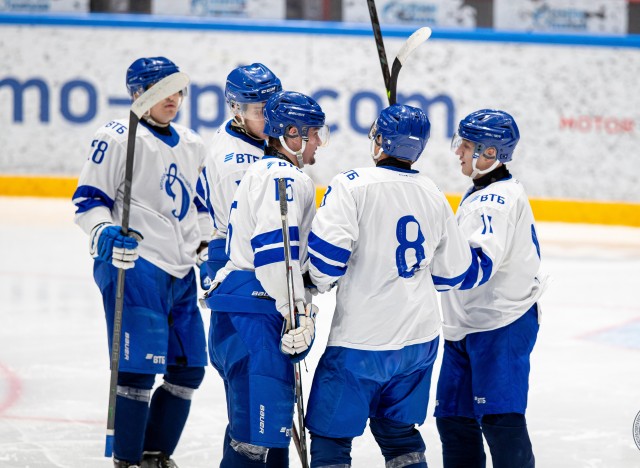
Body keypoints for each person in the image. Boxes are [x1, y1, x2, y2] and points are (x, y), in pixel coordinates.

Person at [304, 104, 490, 467]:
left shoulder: (351, 185)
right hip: (419, 341)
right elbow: (452, 273)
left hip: (362, 341)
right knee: (398, 430)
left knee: (331, 436)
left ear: (379, 142)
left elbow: (325, 265)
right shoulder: (432, 192)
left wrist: (309, 285)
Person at [72, 57, 209, 468]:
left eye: (178, 90)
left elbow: (199, 206)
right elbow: (88, 201)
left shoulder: (191, 143)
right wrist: (104, 232)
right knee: (136, 372)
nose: (174, 99)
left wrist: (206, 245)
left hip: (181, 269)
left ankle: (155, 453)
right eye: (161, 91)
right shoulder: (116, 137)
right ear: (138, 94)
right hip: (135, 263)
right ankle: (128, 461)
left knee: (188, 370)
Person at [203, 90, 330, 467]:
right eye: (313, 132)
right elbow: (277, 254)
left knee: (261, 436)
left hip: (242, 313)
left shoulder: (262, 170)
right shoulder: (285, 179)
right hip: (257, 321)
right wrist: (295, 310)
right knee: (255, 441)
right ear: (292, 134)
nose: (319, 142)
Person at [434, 109, 547, 468]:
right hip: (468, 324)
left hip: (500, 324)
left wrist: (426, 270)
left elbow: (477, 266)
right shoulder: (487, 191)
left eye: (466, 146)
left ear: (490, 153)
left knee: (501, 420)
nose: (458, 152)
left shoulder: (492, 202)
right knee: (453, 419)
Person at [198, 63, 282, 289]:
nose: (269, 116)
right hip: (239, 259)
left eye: (273, 106)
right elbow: (247, 229)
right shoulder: (237, 164)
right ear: (237, 109)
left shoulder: (236, 129)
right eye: (259, 110)